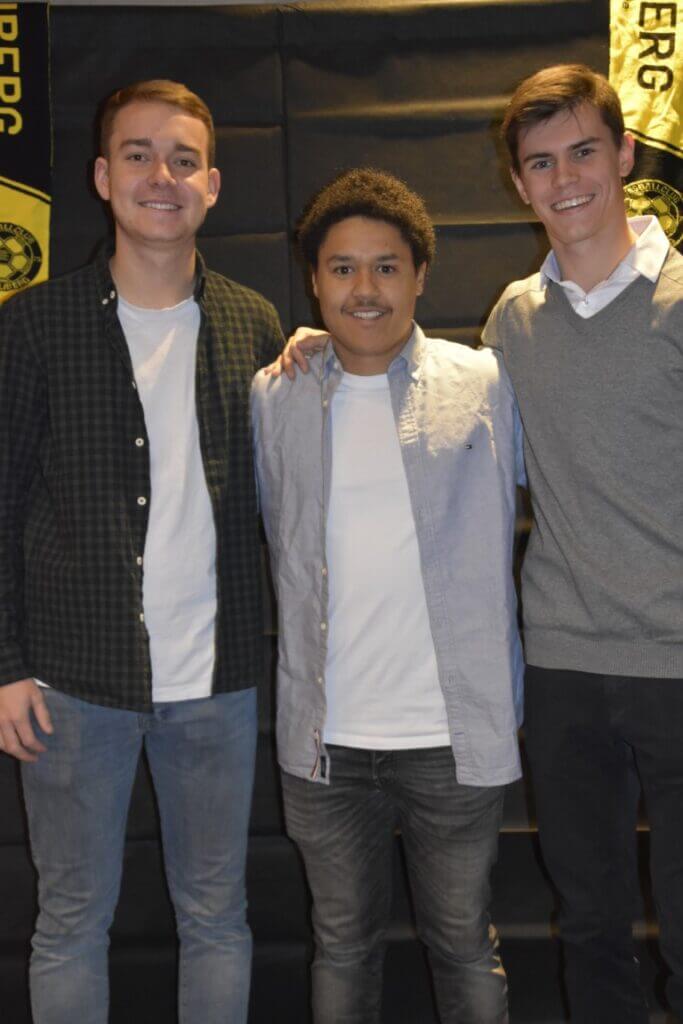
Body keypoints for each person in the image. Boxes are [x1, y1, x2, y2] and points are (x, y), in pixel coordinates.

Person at [0, 79, 283, 1024]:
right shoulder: (33, 325)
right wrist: (5, 665)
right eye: (138, 155)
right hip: (72, 684)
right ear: (101, 176)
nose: (161, 175)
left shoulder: (253, 324)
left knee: (217, 918)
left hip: (218, 681)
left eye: (183, 159)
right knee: (71, 922)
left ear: (212, 184)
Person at [251, 167, 525, 1024]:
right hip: (325, 743)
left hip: (451, 736)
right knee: (340, 945)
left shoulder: (483, 383)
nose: (363, 288)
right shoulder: (276, 394)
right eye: (341, 268)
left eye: (384, 267)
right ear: (314, 280)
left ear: (419, 275)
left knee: (462, 941)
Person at [481, 64, 683, 1023]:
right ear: (519, 183)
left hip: (678, 659)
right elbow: (452, 439)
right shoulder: (512, 320)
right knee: (590, 924)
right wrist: (318, 355)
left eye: (582, 152)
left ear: (624, 155)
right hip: (562, 663)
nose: (564, 180)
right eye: (540, 162)